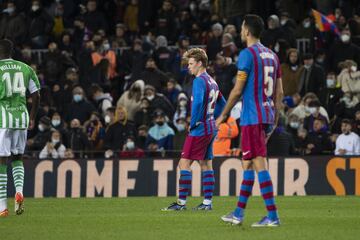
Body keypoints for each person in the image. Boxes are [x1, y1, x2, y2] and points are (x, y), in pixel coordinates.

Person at [216, 15, 283, 227]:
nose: (241, 31)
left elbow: (237, 90)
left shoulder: (247, 55)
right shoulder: (273, 56)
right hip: (265, 115)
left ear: (247, 31)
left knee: (258, 163)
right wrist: (274, 118)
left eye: (242, 28)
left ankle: (272, 217)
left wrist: (223, 115)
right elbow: (279, 92)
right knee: (247, 164)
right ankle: (238, 214)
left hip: (252, 117)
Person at [162, 47, 226, 211]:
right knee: (206, 164)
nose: (188, 67)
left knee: (184, 163)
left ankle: (181, 203)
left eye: (190, 63)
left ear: (199, 63)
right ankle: (207, 203)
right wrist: (214, 119)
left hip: (200, 128)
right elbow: (223, 105)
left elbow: (197, 103)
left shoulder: (199, 81)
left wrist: (194, 122)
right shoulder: (213, 81)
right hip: (211, 127)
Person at [0, 39, 41, 217]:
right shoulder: (26, 68)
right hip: (21, 118)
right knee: (17, 157)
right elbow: (36, 95)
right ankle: (19, 191)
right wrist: (31, 117)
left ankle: (2, 206)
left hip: (2, 119)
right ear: (12, 51)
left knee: (1, 161)